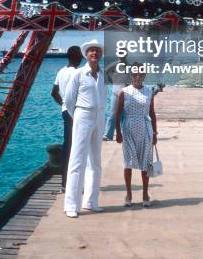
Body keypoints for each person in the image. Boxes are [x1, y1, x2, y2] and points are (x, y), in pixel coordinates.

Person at [64, 39, 107, 218]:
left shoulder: (104, 74)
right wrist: (78, 117)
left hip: (99, 116)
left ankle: (91, 201)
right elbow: (68, 101)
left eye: (97, 50)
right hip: (83, 115)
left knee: (95, 162)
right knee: (77, 160)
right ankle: (71, 205)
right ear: (86, 54)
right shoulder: (79, 74)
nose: (94, 53)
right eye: (91, 51)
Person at [115, 64, 157, 207]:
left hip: (146, 129)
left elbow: (152, 113)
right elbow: (118, 113)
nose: (137, 77)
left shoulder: (149, 91)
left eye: (141, 74)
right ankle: (129, 193)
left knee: (146, 162)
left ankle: (145, 193)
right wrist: (118, 132)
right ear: (130, 76)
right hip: (128, 129)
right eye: (134, 75)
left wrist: (155, 132)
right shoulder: (124, 92)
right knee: (128, 163)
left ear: (144, 75)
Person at [51, 46, 83, 192]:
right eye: (81, 56)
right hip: (76, 112)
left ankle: (64, 183)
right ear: (77, 57)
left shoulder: (61, 71)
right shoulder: (78, 72)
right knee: (77, 147)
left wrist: (63, 103)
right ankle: (74, 183)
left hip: (65, 111)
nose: (82, 58)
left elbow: (54, 93)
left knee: (67, 146)